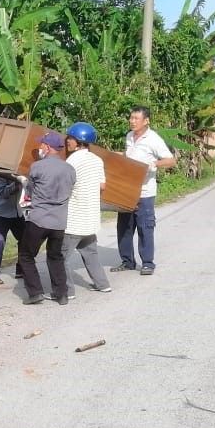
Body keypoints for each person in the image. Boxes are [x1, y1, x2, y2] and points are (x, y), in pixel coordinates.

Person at [16, 131, 75, 305]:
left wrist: (23, 181)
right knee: (55, 256)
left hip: (39, 220)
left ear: (47, 148)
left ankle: (35, 293)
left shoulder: (37, 167)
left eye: (42, 145)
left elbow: (31, 190)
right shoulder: (69, 169)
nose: (40, 148)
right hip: (59, 222)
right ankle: (61, 294)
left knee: (26, 255)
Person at [115, 106, 174, 276]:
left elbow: (171, 160)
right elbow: (129, 156)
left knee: (144, 228)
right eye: (131, 118)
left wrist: (153, 164)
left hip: (145, 192)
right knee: (124, 228)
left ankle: (148, 263)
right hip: (127, 190)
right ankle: (127, 261)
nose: (132, 121)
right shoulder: (129, 136)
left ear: (146, 121)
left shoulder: (153, 139)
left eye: (136, 118)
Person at [62, 121, 111, 296]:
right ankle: (103, 284)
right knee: (90, 253)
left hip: (74, 220)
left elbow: (65, 185)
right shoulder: (97, 160)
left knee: (61, 257)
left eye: (71, 138)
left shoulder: (72, 160)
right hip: (91, 218)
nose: (67, 141)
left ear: (79, 141)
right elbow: (102, 186)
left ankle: (66, 291)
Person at [0, 171, 24, 285]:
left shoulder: (19, 170)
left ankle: (21, 269)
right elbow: (3, 192)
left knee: (25, 239)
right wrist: (18, 182)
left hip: (16, 211)